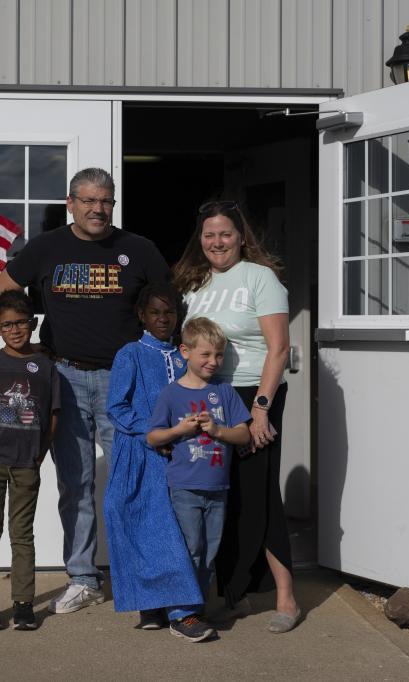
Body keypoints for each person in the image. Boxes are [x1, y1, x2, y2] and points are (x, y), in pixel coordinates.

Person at [0, 167, 170, 614]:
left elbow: (166, 305)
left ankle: (143, 578)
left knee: (137, 479)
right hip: (64, 379)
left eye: (106, 201)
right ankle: (84, 578)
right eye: (89, 200)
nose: (98, 208)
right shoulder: (47, 248)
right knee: (77, 482)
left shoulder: (138, 249)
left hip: (122, 380)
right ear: (71, 204)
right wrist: (25, 342)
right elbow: (5, 286)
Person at [173, 200, 302, 633]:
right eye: (209, 235)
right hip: (210, 393)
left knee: (259, 491)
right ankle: (236, 592)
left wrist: (261, 410)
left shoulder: (261, 278)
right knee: (219, 491)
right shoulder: (196, 283)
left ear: (241, 236)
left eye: (225, 233)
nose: (216, 242)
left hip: (253, 393)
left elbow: (278, 348)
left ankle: (286, 596)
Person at [103, 282, 204, 631]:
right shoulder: (130, 353)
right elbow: (116, 407)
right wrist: (154, 433)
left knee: (174, 528)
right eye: (155, 312)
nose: (163, 319)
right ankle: (150, 603)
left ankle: (180, 611)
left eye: (170, 312)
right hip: (139, 451)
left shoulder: (185, 354)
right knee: (132, 519)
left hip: (182, 454)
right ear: (142, 316)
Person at [147, 317, 251, 642]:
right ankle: (181, 614)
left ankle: (195, 606)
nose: (213, 362)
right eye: (205, 354)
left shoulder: (224, 392)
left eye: (219, 355)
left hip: (218, 488)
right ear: (185, 352)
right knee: (190, 548)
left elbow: (244, 433)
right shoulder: (171, 394)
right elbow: (153, 437)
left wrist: (217, 430)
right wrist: (181, 430)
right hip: (185, 487)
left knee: (209, 551)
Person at [0, 290, 60, 631]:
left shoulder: (46, 367)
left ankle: (22, 603)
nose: (16, 330)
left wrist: (39, 454)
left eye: (21, 322)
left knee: (22, 535)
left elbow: (52, 417)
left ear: (32, 324)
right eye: (8, 325)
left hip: (26, 464)